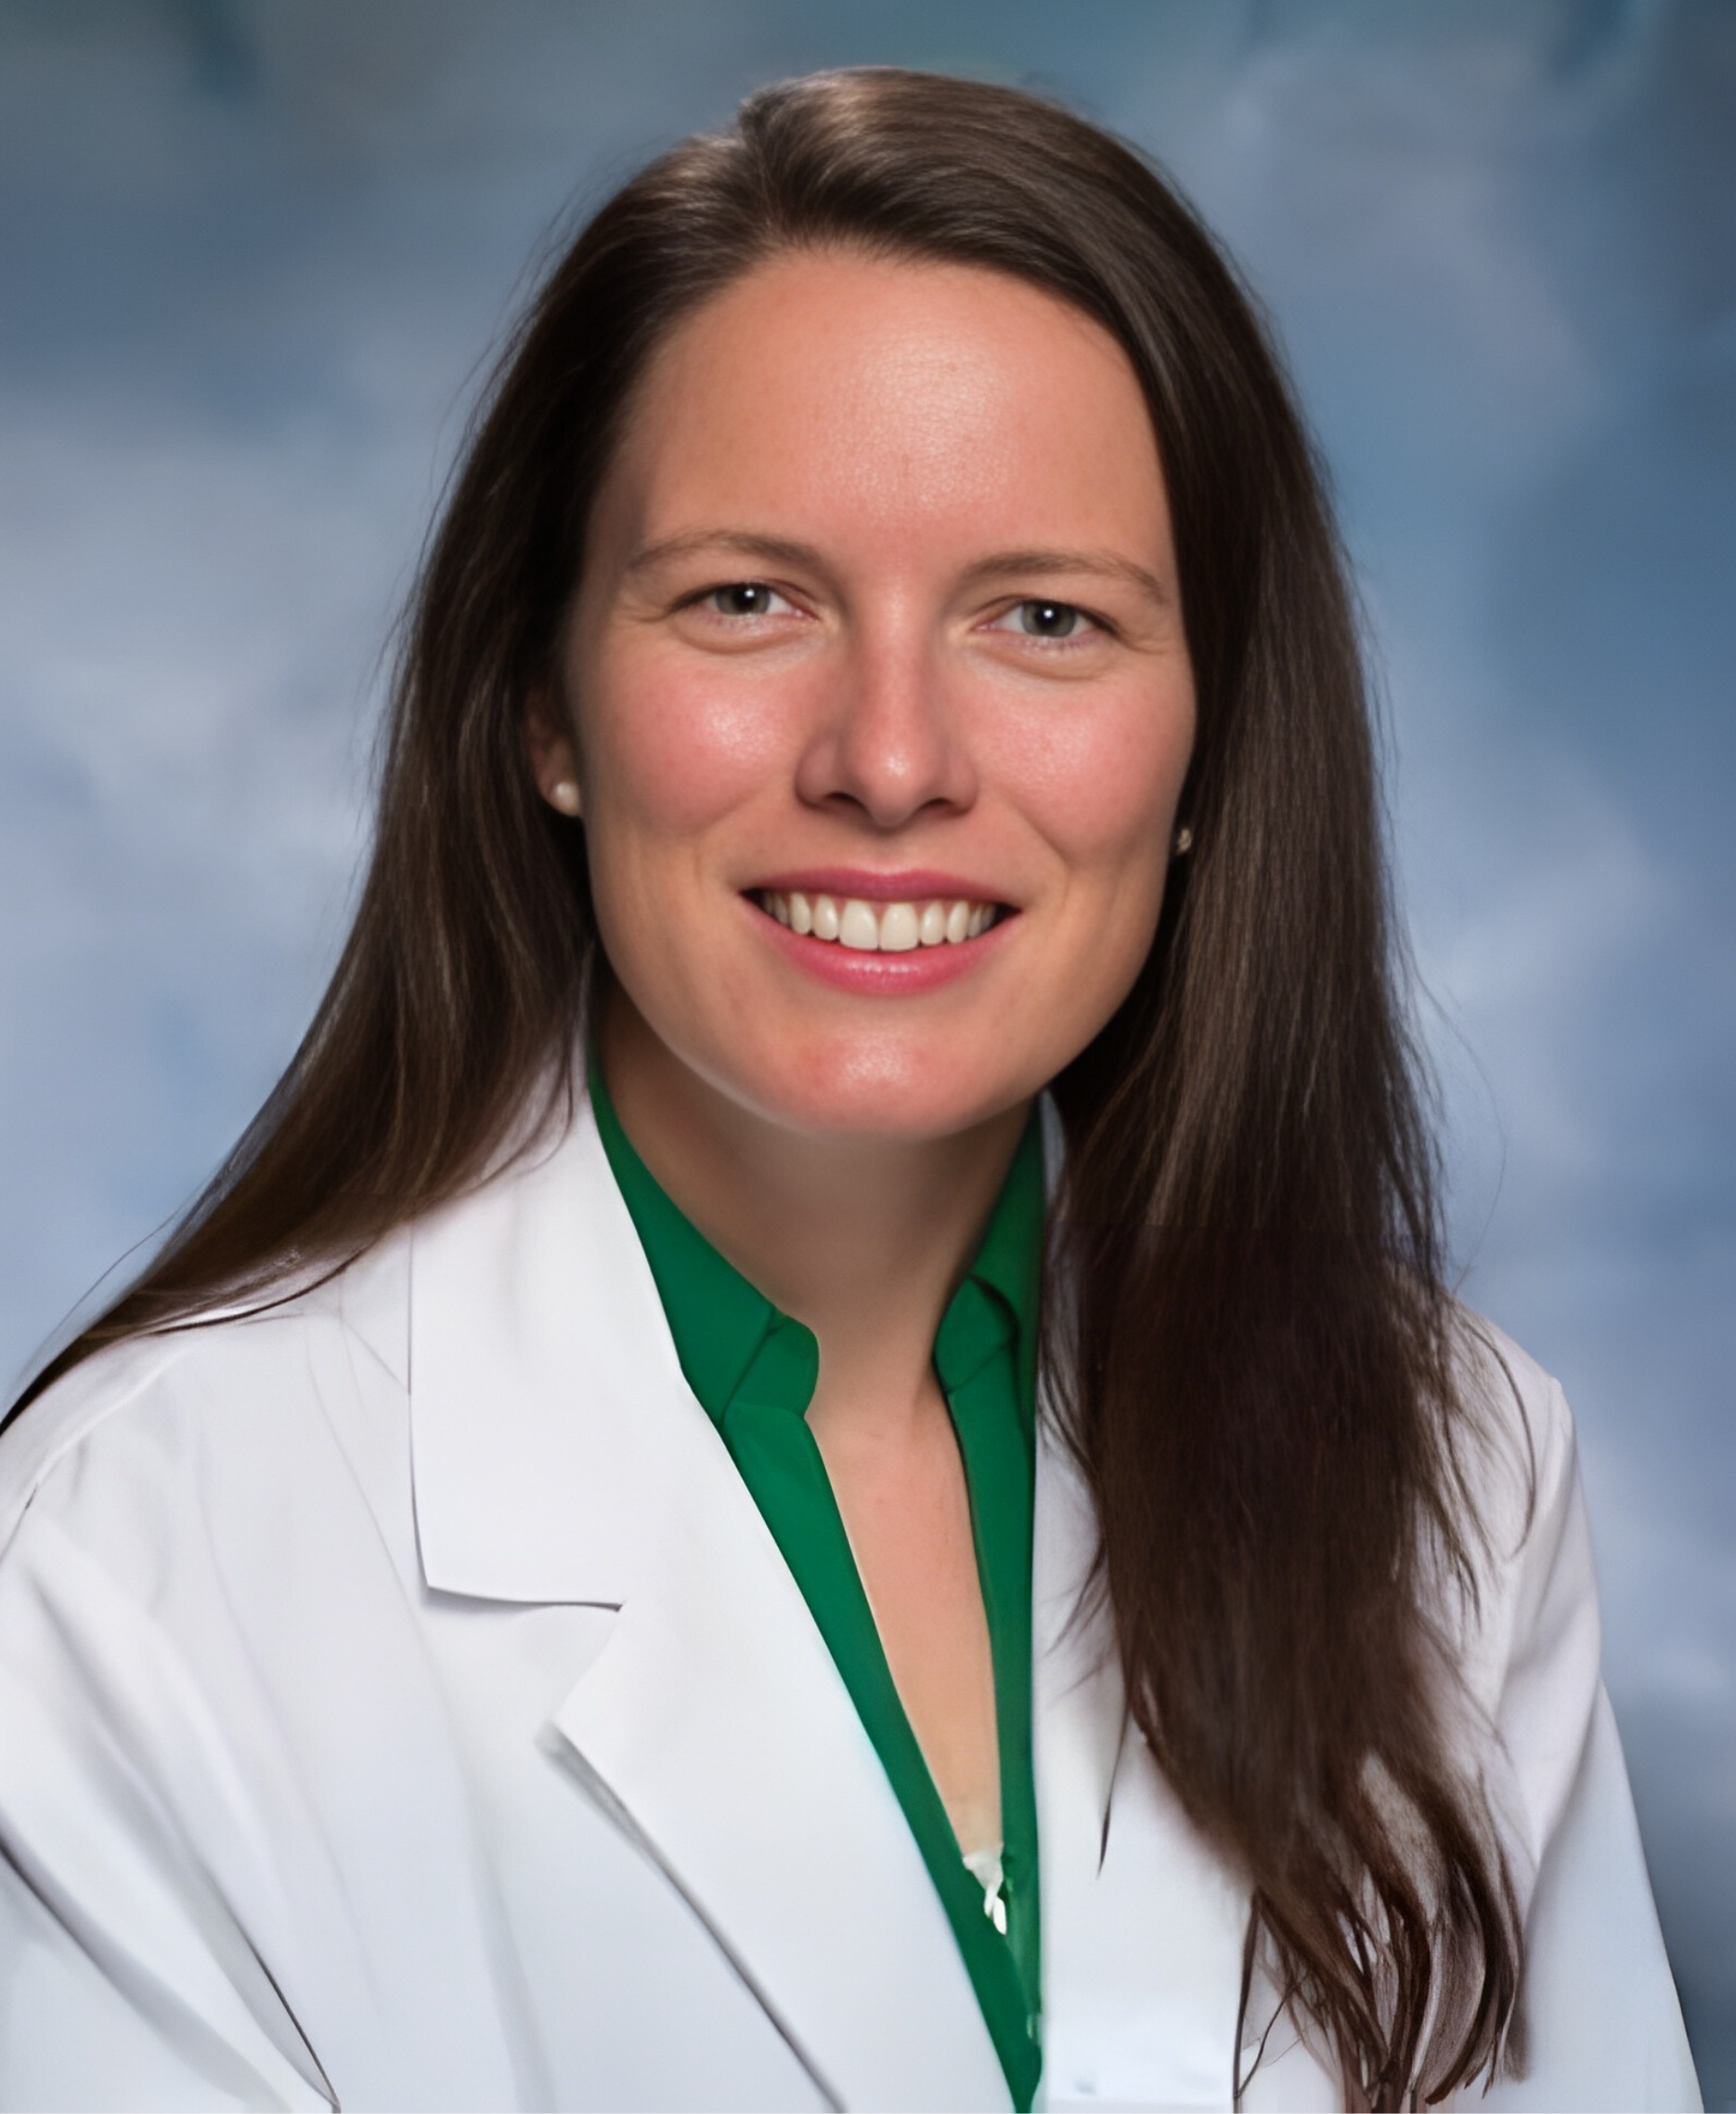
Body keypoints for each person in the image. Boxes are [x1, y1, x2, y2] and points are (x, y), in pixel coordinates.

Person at [0, 67, 1699, 2114]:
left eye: (1042, 618)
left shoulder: (1455, 1474)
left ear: (1204, 751)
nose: (888, 760)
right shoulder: (125, 1569)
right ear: (541, 706)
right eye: (747, 599)